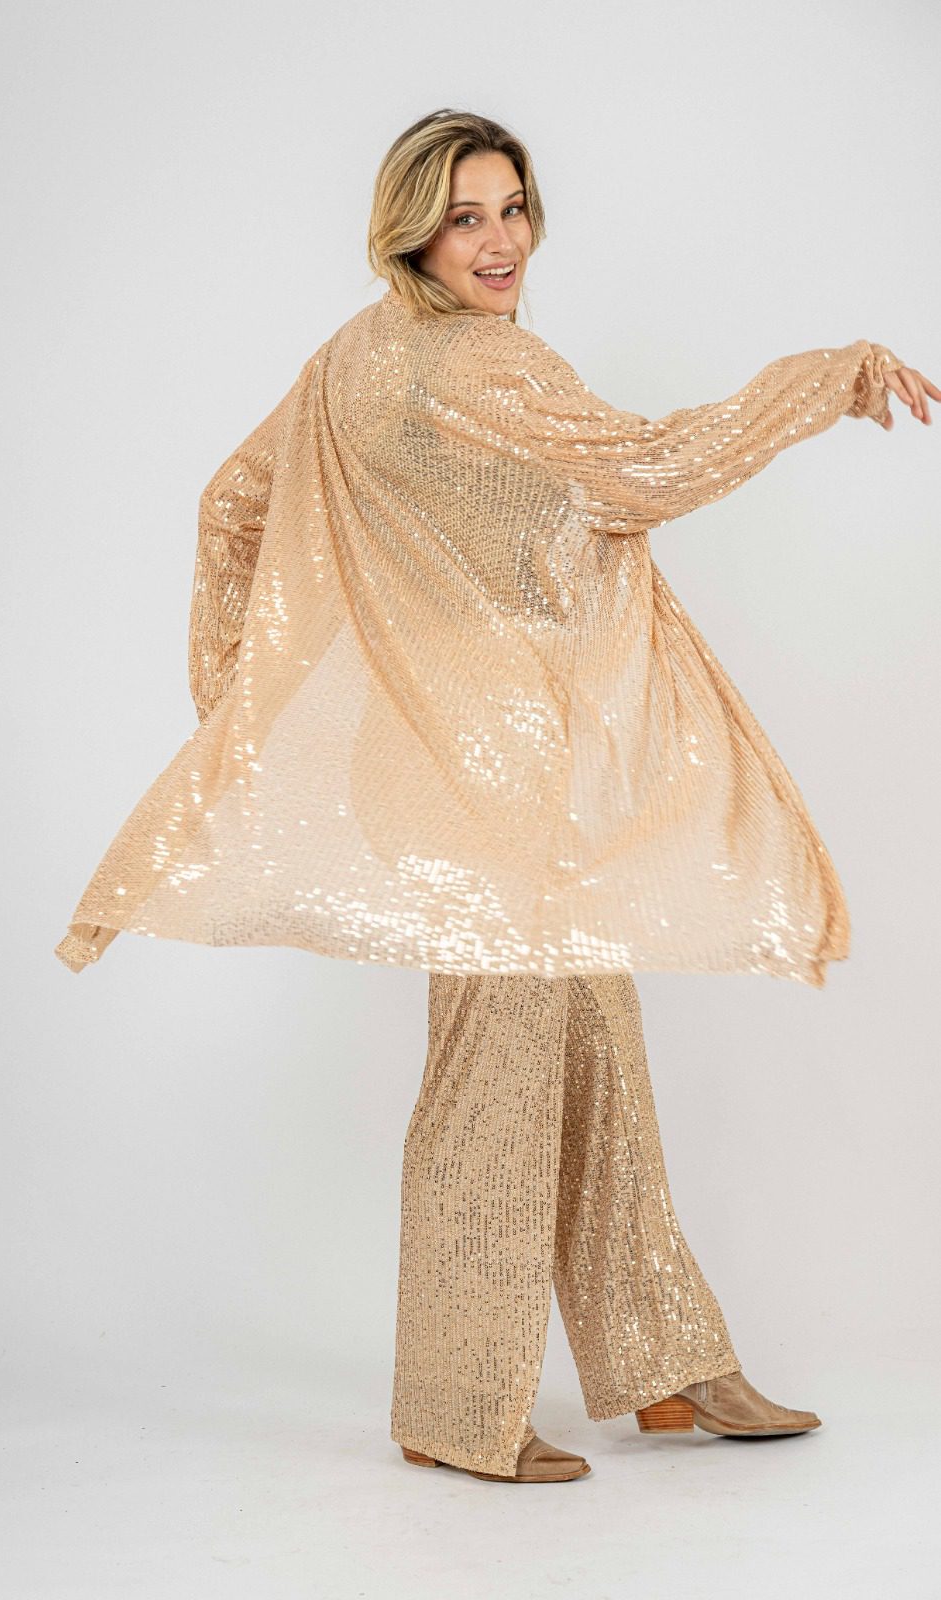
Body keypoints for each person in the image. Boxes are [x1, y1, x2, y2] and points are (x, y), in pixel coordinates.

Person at [54, 110, 936, 1484]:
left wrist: (241, 693)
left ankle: (666, 1361)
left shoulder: (353, 355)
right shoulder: (479, 361)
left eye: (513, 208)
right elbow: (648, 470)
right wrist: (822, 381)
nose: (498, 242)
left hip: (463, 767)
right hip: (488, 774)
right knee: (496, 1080)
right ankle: (457, 1408)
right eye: (464, 217)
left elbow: (231, 504)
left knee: (596, 1047)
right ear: (409, 231)